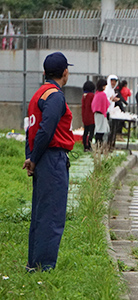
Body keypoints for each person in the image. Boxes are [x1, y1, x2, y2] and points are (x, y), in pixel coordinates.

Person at [23, 52, 75, 272]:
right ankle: (44, 266)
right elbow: (46, 129)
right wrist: (34, 158)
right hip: (52, 158)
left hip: (41, 156)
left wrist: (31, 156)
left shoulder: (38, 95)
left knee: (40, 213)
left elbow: (30, 130)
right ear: (65, 72)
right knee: (52, 215)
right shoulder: (55, 96)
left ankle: (33, 263)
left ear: (45, 73)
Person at [91, 79, 110, 145]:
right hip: (101, 114)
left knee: (98, 129)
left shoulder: (97, 93)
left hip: (96, 114)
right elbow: (106, 104)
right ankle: (99, 145)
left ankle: (97, 144)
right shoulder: (102, 94)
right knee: (101, 130)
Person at [81, 80, 95, 151]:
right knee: (91, 132)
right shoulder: (92, 95)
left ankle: (84, 146)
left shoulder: (84, 96)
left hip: (85, 116)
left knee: (85, 132)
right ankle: (89, 145)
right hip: (91, 116)